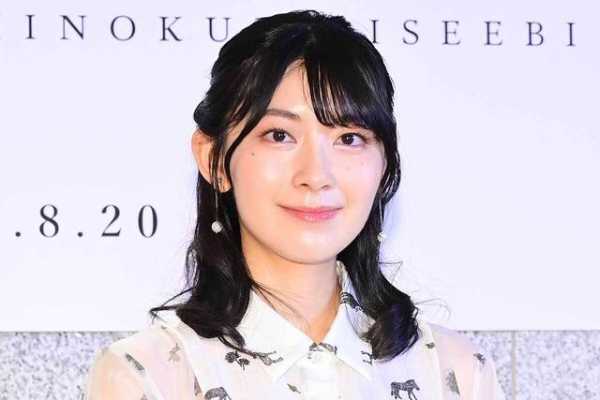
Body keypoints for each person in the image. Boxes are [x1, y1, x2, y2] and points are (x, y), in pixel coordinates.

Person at [83, 9, 506, 400]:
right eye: (280, 135)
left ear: (383, 166)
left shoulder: (455, 373)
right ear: (214, 159)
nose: (316, 174)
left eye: (349, 138)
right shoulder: (148, 378)